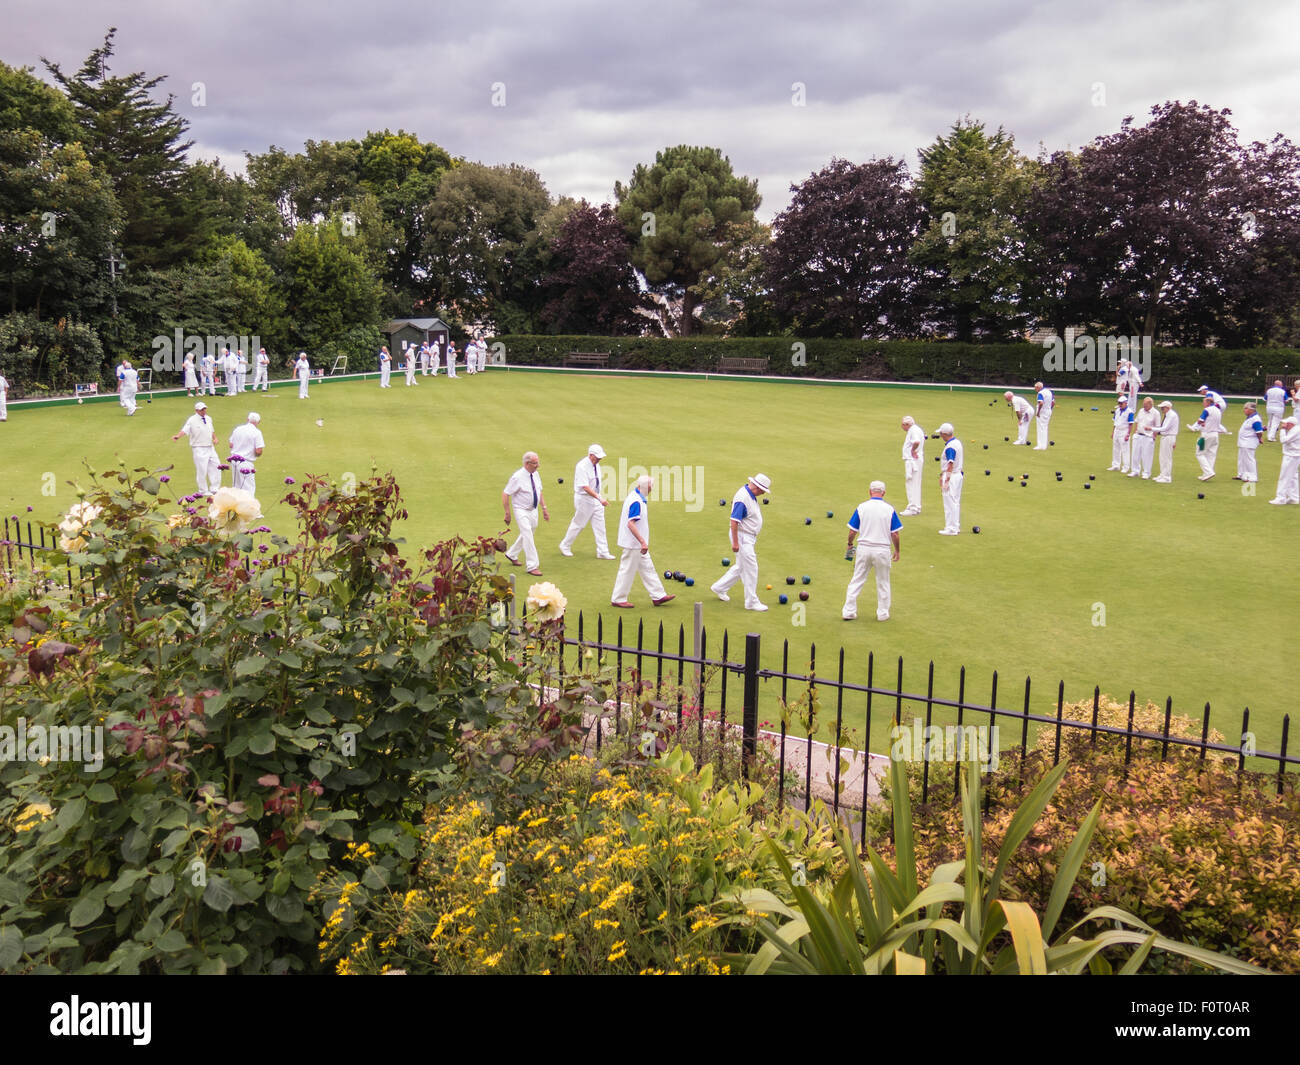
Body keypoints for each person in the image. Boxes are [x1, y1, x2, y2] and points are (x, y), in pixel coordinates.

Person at [710, 473, 772, 611]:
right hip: (742, 537)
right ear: (756, 487)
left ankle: (719, 587)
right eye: (762, 490)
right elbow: (734, 521)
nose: (763, 493)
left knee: (741, 567)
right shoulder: (743, 497)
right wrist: (736, 543)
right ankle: (751, 602)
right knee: (751, 568)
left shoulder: (750, 495)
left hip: (746, 537)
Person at [841, 480, 902, 622]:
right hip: (882, 550)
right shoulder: (889, 509)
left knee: (857, 579)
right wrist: (897, 551)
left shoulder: (862, 507)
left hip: (864, 548)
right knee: (883, 582)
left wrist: (850, 544)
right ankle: (883, 613)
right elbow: (895, 534)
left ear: (870, 492)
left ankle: (849, 611)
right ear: (884, 493)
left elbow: (852, 531)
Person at [611, 474, 674, 608]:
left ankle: (658, 595)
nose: (652, 488)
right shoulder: (636, 501)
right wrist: (642, 542)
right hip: (634, 544)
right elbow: (631, 524)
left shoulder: (637, 497)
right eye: (651, 486)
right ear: (647, 487)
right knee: (627, 569)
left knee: (647, 568)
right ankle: (618, 598)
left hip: (637, 544)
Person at [558, 444, 615, 559]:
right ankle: (565, 545)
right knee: (579, 524)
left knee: (600, 525)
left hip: (596, 498)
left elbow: (596, 483)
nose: (600, 459)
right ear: (590, 455)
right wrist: (600, 498)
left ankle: (602, 551)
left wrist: (599, 497)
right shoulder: (582, 466)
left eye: (600, 457)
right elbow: (585, 487)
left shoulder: (596, 465)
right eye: (597, 457)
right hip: (584, 499)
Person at [502, 452, 548, 575]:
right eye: (535, 463)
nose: (538, 465)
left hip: (533, 509)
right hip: (521, 510)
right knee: (527, 534)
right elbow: (506, 493)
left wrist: (544, 508)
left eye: (538, 462)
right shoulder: (517, 477)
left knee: (529, 531)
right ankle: (532, 566)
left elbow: (539, 491)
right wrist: (507, 513)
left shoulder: (535, 474)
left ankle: (512, 554)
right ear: (527, 464)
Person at [173, 401, 220, 494]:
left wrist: (215, 438)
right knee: (202, 469)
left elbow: (211, 430)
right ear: (197, 410)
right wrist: (178, 436)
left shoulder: (209, 418)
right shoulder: (192, 420)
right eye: (202, 410)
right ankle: (203, 490)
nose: (204, 411)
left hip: (210, 447)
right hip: (199, 447)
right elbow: (185, 430)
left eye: (204, 409)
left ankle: (215, 488)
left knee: (216, 465)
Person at [228, 412, 266, 496]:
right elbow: (258, 451)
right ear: (258, 422)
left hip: (234, 460)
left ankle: (236, 507)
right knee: (248, 488)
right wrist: (256, 454)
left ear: (248, 419)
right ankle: (248, 507)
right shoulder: (256, 432)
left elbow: (231, 444)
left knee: (236, 487)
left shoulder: (238, 429)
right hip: (246, 462)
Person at [936, 423, 964, 535]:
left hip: (951, 476)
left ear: (944, 434)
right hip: (957, 475)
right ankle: (955, 526)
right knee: (955, 502)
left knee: (949, 502)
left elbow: (950, 464)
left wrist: (946, 480)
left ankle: (951, 528)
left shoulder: (950, 447)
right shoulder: (957, 442)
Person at [1189, 395, 1225, 480]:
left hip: (1206, 435)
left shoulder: (1207, 410)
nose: (1203, 404)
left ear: (1208, 403)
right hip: (1215, 435)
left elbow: (1200, 420)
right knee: (1211, 454)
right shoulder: (1218, 410)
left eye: (1204, 402)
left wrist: (1200, 423)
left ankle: (1209, 472)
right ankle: (1207, 473)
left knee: (1199, 453)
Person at [1269, 417, 1300, 505]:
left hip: (1291, 456)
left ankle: (1280, 498)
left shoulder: (1296, 430)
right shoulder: (1294, 430)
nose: (1283, 425)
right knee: (1293, 477)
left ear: (1291, 424)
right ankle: (1294, 498)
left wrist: (1282, 430)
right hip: (1293, 455)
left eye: (1286, 423)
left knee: (1284, 477)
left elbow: (1284, 440)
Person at [900, 416, 924, 516]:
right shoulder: (917, 429)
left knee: (911, 482)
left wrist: (913, 450)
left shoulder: (913, 430)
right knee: (915, 482)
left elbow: (916, 441)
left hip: (913, 460)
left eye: (902, 424)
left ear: (906, 425)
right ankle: (915, 506)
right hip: (915, 459)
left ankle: (913, 507)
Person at [1129, 397, 1158, 478]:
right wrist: (1135, 433)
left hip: (1148, 437)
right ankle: (1135, 471)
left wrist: (1154, 437)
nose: (1144, 407)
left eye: (1146, 405)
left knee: (1147, 456)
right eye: (1143, 405)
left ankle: (1146, 473)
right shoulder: (1141, 410)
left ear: (1150, 405)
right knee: (1135, 454)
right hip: (1138, 435)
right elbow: (1137, 422)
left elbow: (1157, 426)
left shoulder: (1156, 413)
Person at [1235, 402, 1264, 482]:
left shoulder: (1255, 418)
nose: (1244, 410)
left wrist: (1260, 438)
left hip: (1249, 442)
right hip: (1243, 442)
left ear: (1251, 409)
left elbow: (1258, 431)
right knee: (1242, 459)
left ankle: (1253, 477)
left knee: (1249, 459)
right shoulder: (1250, 418)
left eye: (1245, 408)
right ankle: (1242, 474)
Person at [1152, 401, 1180, 483]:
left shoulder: (1172, 415)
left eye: (1163, 408)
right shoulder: (1168, 415)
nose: (1161, 409)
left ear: (1168, 407)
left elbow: (1164, 428)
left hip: (1169, 437)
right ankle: (1162, 474)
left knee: (1167, 457)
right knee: (1162, 457)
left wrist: (1151, 428)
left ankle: (1167, 477)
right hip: (1165, 437)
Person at [1108, 395, 1133, 472]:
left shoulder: (1130, 412)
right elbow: (1115, 422)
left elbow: (1131, 424)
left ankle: (1126, 467)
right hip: (1117, 430)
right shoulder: (1117, 410)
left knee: (1125, 450)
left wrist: (1128, 434)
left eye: (1121, 403)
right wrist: (1113, 432)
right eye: (1119, 403)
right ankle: (1115, 465)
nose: (1120, 405)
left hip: (1124, 431)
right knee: (1116, 448)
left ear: (1125, 403)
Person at [1033, 381, 1055, 450]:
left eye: (1035, 388)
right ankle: (1044, 445)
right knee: (1044, 428)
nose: (1035, 389)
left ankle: (1040, 446)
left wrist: (1038, 412)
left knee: (1040, 428)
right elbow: (1053, 402)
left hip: (1042, 412)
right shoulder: (1049, 392)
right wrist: (1050, 409)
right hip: (1048, 411)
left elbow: (1041, 403)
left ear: (1038, 387)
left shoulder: (1040, 393)